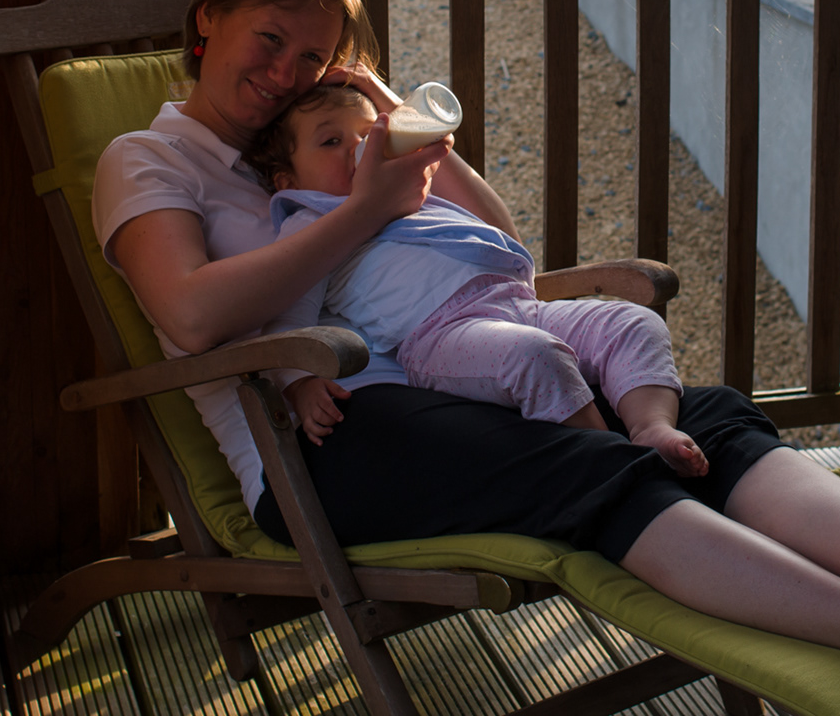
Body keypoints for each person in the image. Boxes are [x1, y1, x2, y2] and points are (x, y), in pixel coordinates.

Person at [93, 0, 840, 712]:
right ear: (207, 21)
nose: (286, 71)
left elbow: (505, 248)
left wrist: (400, 126)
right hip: (318, 442)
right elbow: (191, 317)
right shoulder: (150, 161)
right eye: (268, 40)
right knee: (587, 462)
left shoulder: (328, 135)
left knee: (699, 416)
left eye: (313, 56)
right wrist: (361, 209)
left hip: (441, 371)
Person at [247, 83, 707, 475]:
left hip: (519, 305)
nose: (360, 149)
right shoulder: (310, 225)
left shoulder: (409, 196)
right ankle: (613, 463)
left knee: (633, 322)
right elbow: (286, 317)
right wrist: (300, 385)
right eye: (331, 142)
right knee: (534, 356)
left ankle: (652, 427)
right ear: (287, 181)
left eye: (370, 135)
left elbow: (493, 222)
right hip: (442, 336)